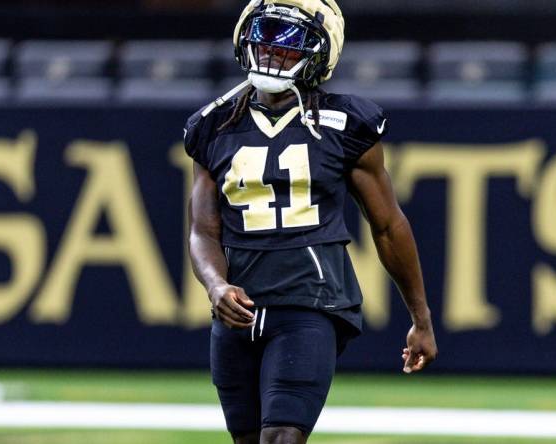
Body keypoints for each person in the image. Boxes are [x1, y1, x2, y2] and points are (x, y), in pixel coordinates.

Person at [184, 1, 438, 443]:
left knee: (282, 437)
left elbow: (388, 226)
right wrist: (215, 285)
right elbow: (203, 231)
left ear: (320, 54)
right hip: (237, 311)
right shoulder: (213, 125)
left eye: (289, 42)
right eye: (264, 35)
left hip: (311, 302)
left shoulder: (345, 123)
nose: (271, 51)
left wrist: (421, 317)